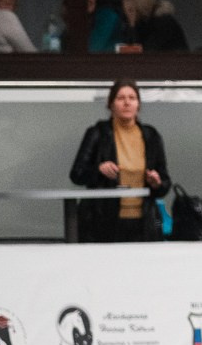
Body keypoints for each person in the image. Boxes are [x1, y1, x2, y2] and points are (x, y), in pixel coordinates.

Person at [69, 79, 171, 242]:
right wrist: (99, 169)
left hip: (144, 222)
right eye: (121, 98)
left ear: (138, 105)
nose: (127, 103)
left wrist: (157, 182)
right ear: (111, 105)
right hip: (103, 222)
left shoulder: (151, 136)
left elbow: (164, 183)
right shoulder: (98, 133)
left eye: (132, 98)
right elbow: (77, 174)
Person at [118, 0, 190, 53]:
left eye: (129, 8)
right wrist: (132, 25)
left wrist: (133, 25)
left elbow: (149, 50)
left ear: (138, 6)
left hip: (175, 63)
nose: (125, 11)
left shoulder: (164, 22)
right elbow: (130, 47)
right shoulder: (142, 22)